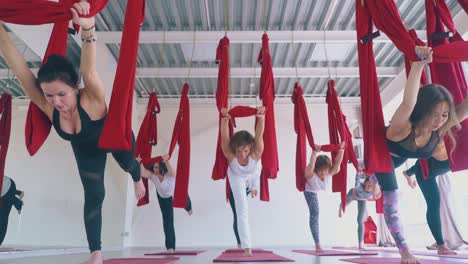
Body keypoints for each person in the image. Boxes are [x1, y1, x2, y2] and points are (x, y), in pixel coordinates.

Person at [0, 2, 145, 264]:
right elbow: (21, 69)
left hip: (113, 136)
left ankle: (138, 178)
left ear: (75, 88)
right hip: (87, 151)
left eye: (62, 94)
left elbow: (89, 69)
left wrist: (88, 26)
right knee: (94, 195)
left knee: (129, 164)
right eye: (49, 95)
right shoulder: (47, 105)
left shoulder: (92, 98)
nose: (55, 101)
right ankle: (96, 253)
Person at [374, 46, 468, 263]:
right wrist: (417, 66)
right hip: (385, 158)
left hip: (405, 156)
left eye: (444, 115)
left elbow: (462, 111)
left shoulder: (438, 129)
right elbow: (408, 103)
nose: (440, 120)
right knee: (391, 200)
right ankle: (404, 250)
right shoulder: (403, 127)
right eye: (434, 115)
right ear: (422, 111)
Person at [220, 106, 265, 256]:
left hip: (253, 173)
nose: (242, 155)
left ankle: (252, 187)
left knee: (254, 178)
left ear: (250, 148)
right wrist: (225, 120)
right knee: (242, 211)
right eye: (238, 151)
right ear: (234, 149)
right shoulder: (230, 155)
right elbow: (224, 137)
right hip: (236, 176)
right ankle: (247, 247)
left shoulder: (256, 152)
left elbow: (259, 134)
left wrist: (260, 116)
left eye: (245, 151)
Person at [403, 142, 456, 255]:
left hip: (429, 166)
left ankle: (408, 173)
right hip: (424, 173)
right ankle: (440, 245)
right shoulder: (440, 143)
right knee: (434, 204)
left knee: (427, 163)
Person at [139, 154, 193, 253]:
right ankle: (170, 247)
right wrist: (140, 162)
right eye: (154, 167)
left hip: (175, 192)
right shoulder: (153, 176)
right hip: (163, 198)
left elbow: (173, 171)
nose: (154, 169)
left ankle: (189, 208)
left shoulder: (169, 174)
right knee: (167, 222)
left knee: (185, 200)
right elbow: (143, 173)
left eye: (156, 167)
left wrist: (167, 160)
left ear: (161, 167)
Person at [304, 142, 345, 252]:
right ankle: (317, 244)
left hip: (315, 191)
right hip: (309, 192)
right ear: (316, 170)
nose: (323, 173)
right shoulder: (311, 174)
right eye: (320, 170)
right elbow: (311, 166)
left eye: (325, 170)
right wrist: (314, 152)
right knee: (315, 213)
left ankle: (317, 243)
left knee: (316, 213)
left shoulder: (329, 173)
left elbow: (337, 164)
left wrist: (341, 150)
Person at [338, 172, 381, 250]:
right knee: (344, 205)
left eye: (371, 186)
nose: (369, 187)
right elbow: (357, 181)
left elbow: (378, 191)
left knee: (360, 220)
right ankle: (341, 206)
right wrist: (357, 173)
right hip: (353, 194)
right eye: (368, 185)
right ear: (365, 183)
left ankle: (360, 244)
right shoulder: (359, 187)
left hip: (362, 199)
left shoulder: (373, 190)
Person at [0, 176, 24, 245]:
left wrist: (18, 205)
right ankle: (19, 194)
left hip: (7, 187)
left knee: (2, 219)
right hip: (7, 187)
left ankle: (18, 203)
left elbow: (10, 197)